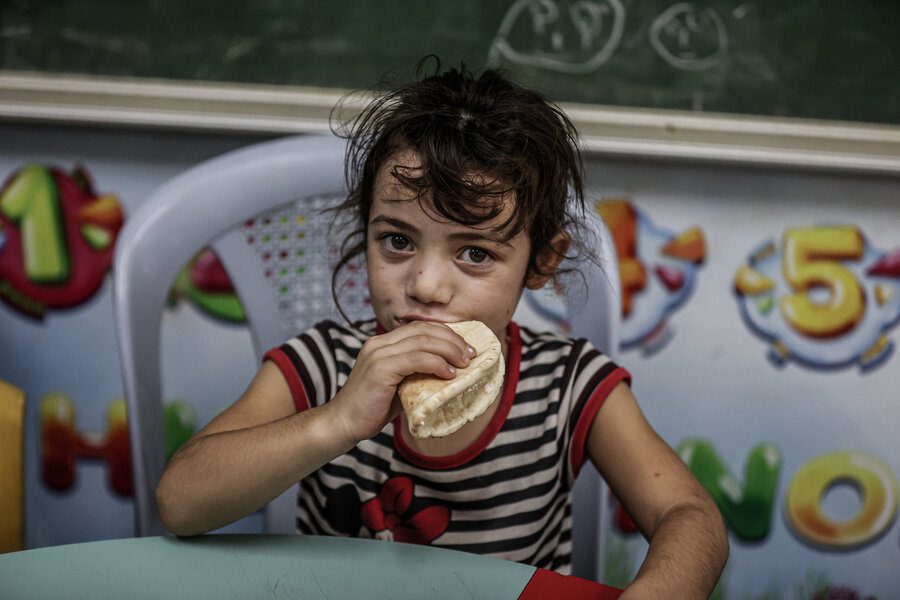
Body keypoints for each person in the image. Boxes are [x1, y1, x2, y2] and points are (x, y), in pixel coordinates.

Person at [156, 58, 728, 597]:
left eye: (475, 253)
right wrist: (336, 420)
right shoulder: (322, 364)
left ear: (542, 262)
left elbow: (691, 517)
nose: (426, 285)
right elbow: (180, 501)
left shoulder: (571, 386)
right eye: (398, 241)